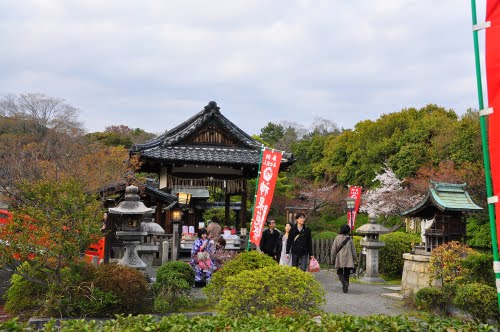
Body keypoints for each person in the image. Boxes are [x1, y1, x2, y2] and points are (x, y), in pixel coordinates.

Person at [331, 224, 357, 293]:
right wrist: (355, 259)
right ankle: (346, 285)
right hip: (348, 258)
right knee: (347, 273)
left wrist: (332, 259)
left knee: (339, 272)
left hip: (339, 258)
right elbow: (353, 250)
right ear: (348, 231)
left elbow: (333, 250)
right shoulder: (350, 239)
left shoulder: (337, 238)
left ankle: (344, 283)